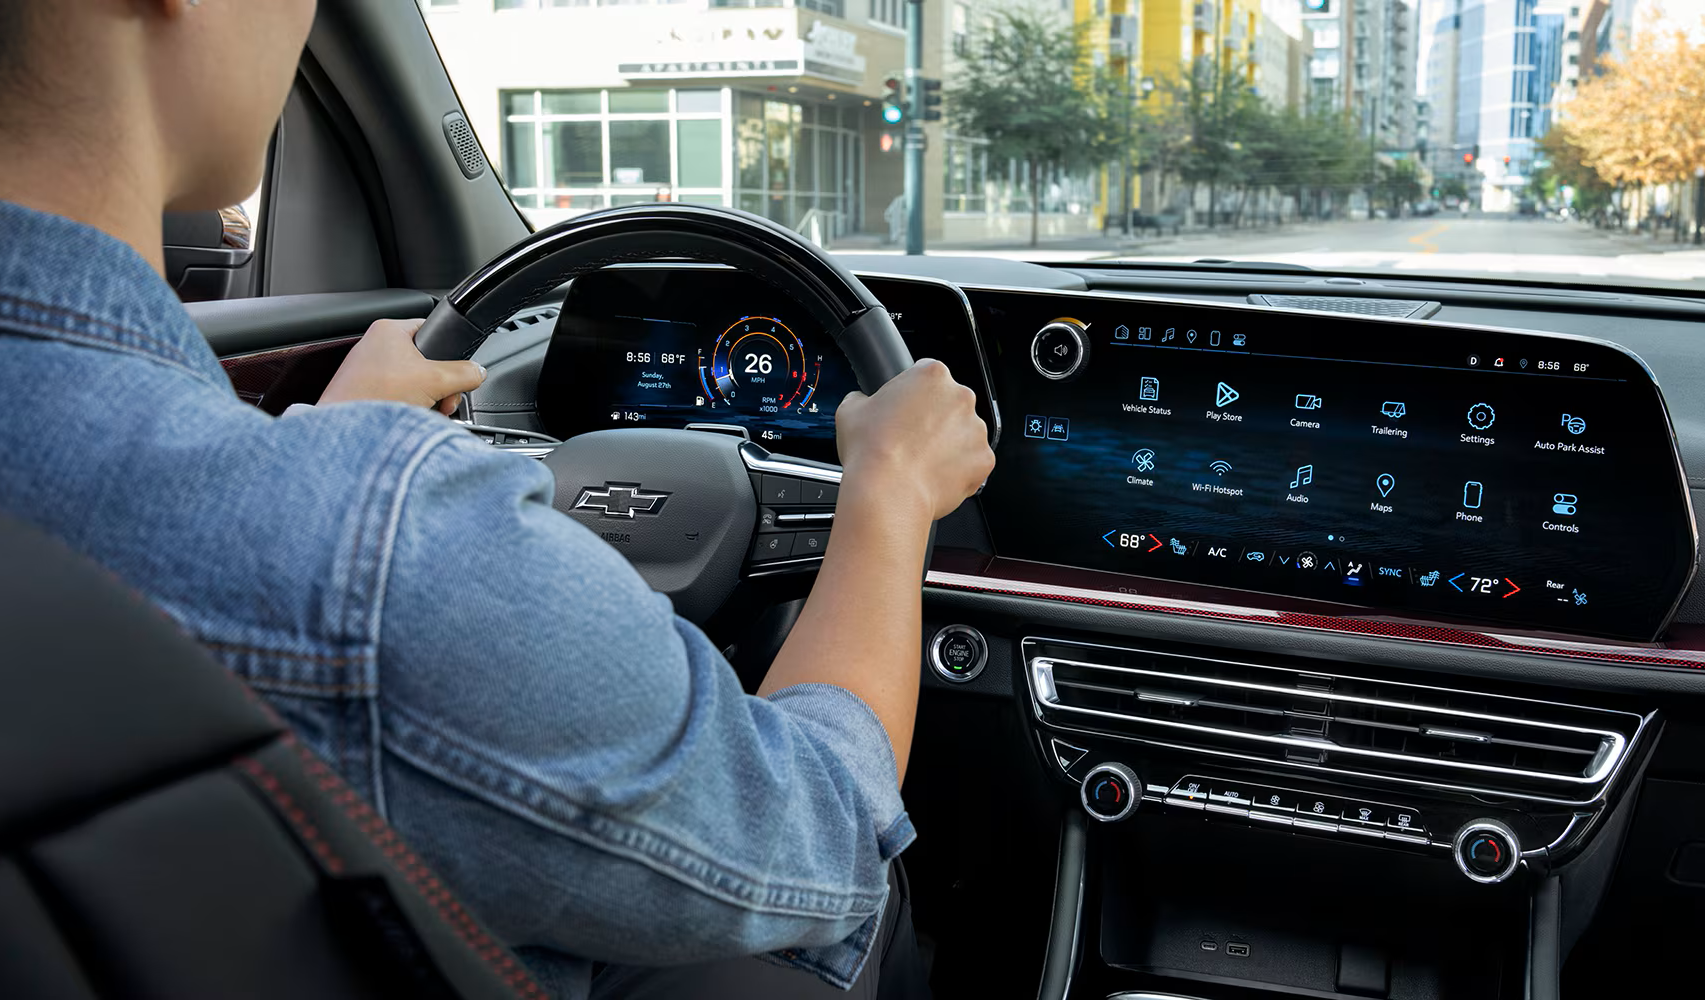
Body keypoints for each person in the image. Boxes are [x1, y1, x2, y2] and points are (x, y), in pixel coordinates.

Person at [0, 2, 994, 998]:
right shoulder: (376, 546)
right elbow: (822, 838)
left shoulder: (307, 502)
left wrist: (325, 444)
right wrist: (887, 499)